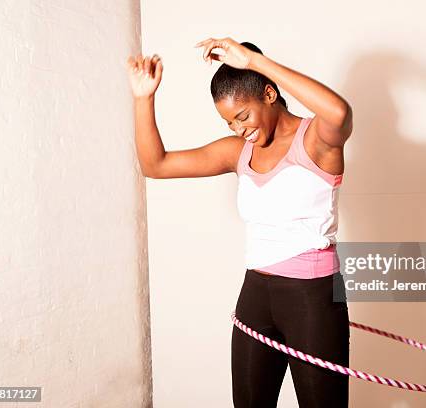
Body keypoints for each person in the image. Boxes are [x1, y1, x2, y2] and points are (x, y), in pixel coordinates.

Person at [127, 37, 354, 407]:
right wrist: (143, 99)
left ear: (268, 94)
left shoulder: (316, 140)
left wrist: (253, 60)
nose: (238, 129)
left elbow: (339, 112)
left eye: (243, 116)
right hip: (255, 296)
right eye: (229, 122)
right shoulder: (238, 152)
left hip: (312, 298)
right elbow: (156, 165)